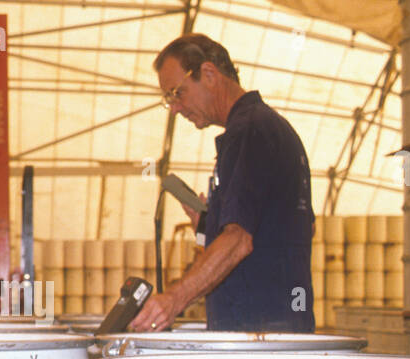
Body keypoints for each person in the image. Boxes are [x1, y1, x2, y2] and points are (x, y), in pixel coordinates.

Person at [130, 34, 315, 333]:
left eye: (177, 93)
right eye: (169, 100)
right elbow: (282, 229)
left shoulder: (249, 132)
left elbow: (239, 241)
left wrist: (174, 299)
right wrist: (207, 228)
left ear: (209, 74)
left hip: (261, 337)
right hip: (277, 325)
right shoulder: (269, 128)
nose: (175, 108)